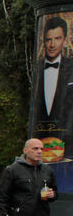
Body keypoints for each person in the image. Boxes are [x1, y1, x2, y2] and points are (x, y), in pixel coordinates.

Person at [33, 16, 73, 157]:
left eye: (57, 38)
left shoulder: (71, 67)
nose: (52, 44)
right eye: (49, 39)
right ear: (43, 40)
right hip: (40, 144)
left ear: (64, 39)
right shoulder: (36, 69)